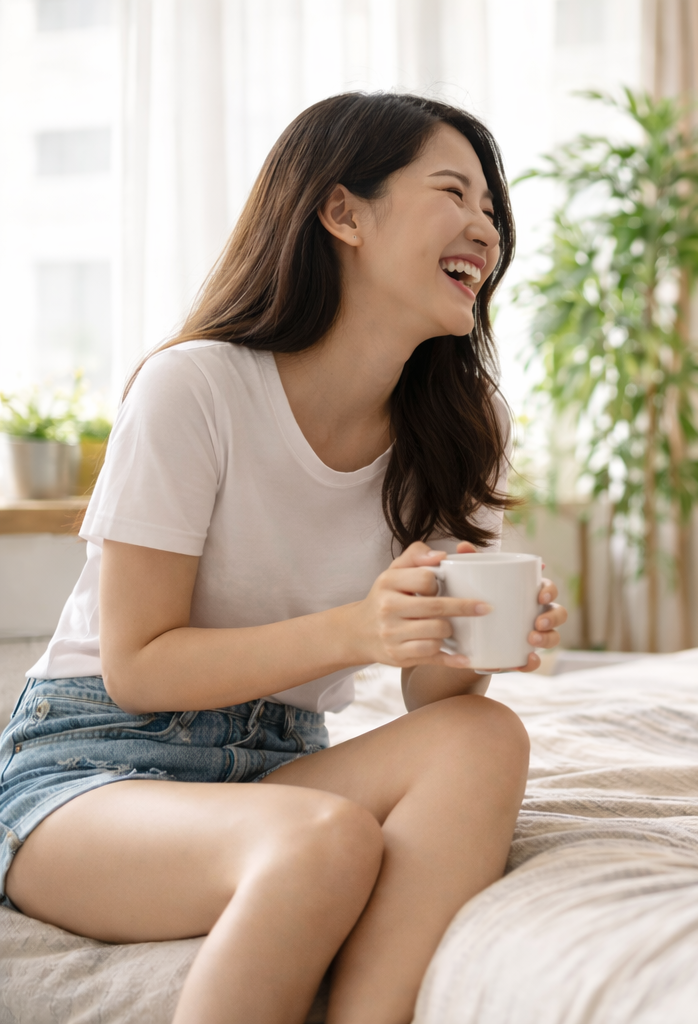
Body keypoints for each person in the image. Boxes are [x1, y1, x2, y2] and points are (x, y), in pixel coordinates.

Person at [0, 93, 567, 1024]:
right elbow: (138, 667)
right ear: (343, 213)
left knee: (483, 737)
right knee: (323, 840)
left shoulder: (464, 430)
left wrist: (472, 642)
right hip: (93, 770)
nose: (487, 230)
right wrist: (357, 628)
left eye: (493, 213)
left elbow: (433, 698)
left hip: (273, 766)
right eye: (454, 193)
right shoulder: (198, 387)